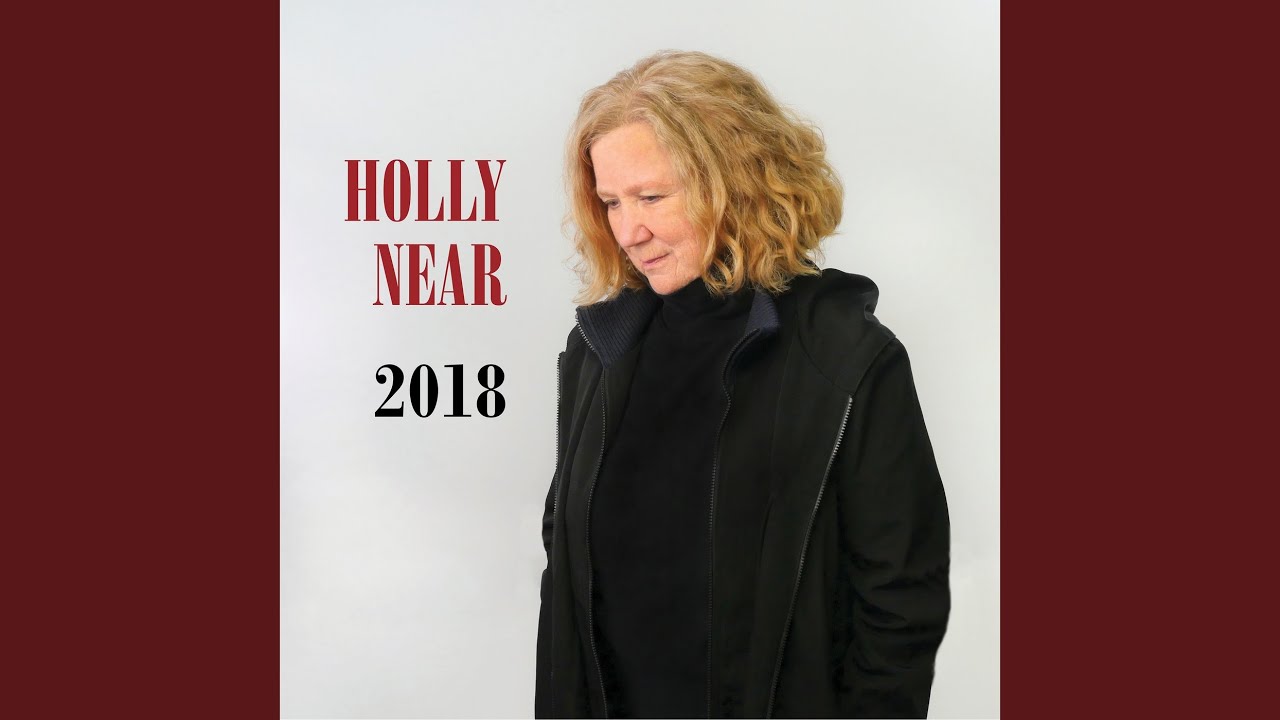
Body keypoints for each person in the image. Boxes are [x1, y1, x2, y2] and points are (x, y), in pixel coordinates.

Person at [536, 50, 950, 719]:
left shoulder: (844, 355)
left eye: (652, 196)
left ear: (735, 182)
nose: (629, 231)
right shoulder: (597, 350)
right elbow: (565, 560)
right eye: (611, 202)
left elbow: (901, 598)